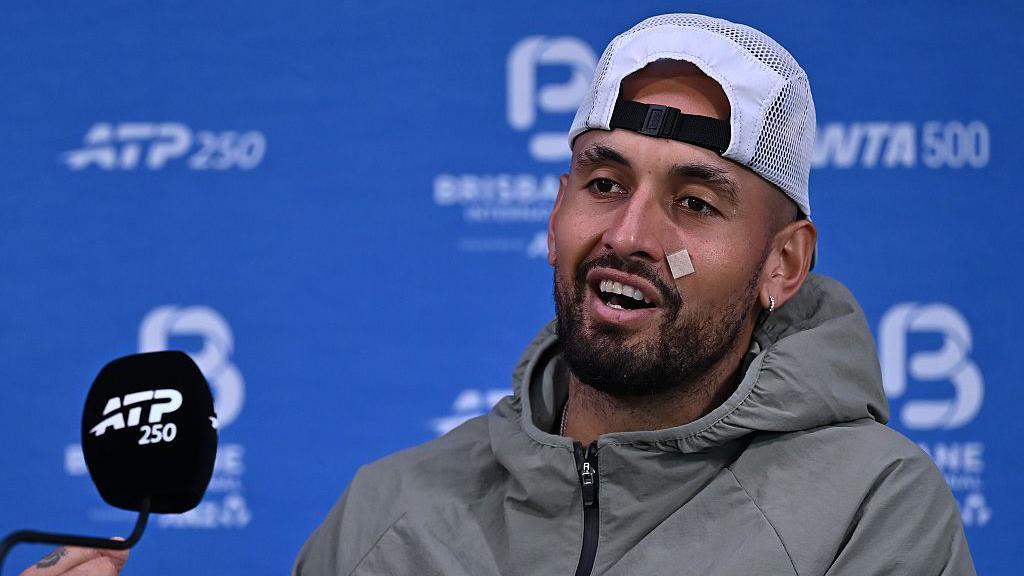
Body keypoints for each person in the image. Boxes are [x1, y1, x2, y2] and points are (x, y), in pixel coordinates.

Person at [293, 13, 975, 576]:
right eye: (605, 185)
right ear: (557, 216)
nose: (630, 234)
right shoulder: (385, 516)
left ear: (783, 263)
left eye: (697, 203)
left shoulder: (870, 509)